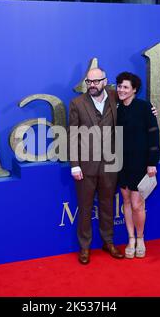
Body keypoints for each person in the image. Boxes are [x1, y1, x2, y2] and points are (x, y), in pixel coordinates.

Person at [68, 68, 124, 264]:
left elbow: (133, 104)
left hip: (110, 163)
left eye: (96, 82)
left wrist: (152, 110)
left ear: (105, 81)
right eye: (89, 82)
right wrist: (74, 165)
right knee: (84, 208)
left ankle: (108, 242)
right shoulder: (77, 103)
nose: (92, 85)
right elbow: (72, 136)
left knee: (108, 205)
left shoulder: (115, 97)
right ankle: (84, 247)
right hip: (86, 166)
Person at [116, 71, 160, 259]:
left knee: (137, 205)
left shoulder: (144, 107)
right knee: (126, 201)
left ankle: (141, 238)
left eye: (126, 87)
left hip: (141, 164)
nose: (121, 90)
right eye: (119, 86)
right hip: (121, 163)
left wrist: (152, 162)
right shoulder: (116, 109)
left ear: (134, 89)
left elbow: (153, 135)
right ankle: (131, 239)